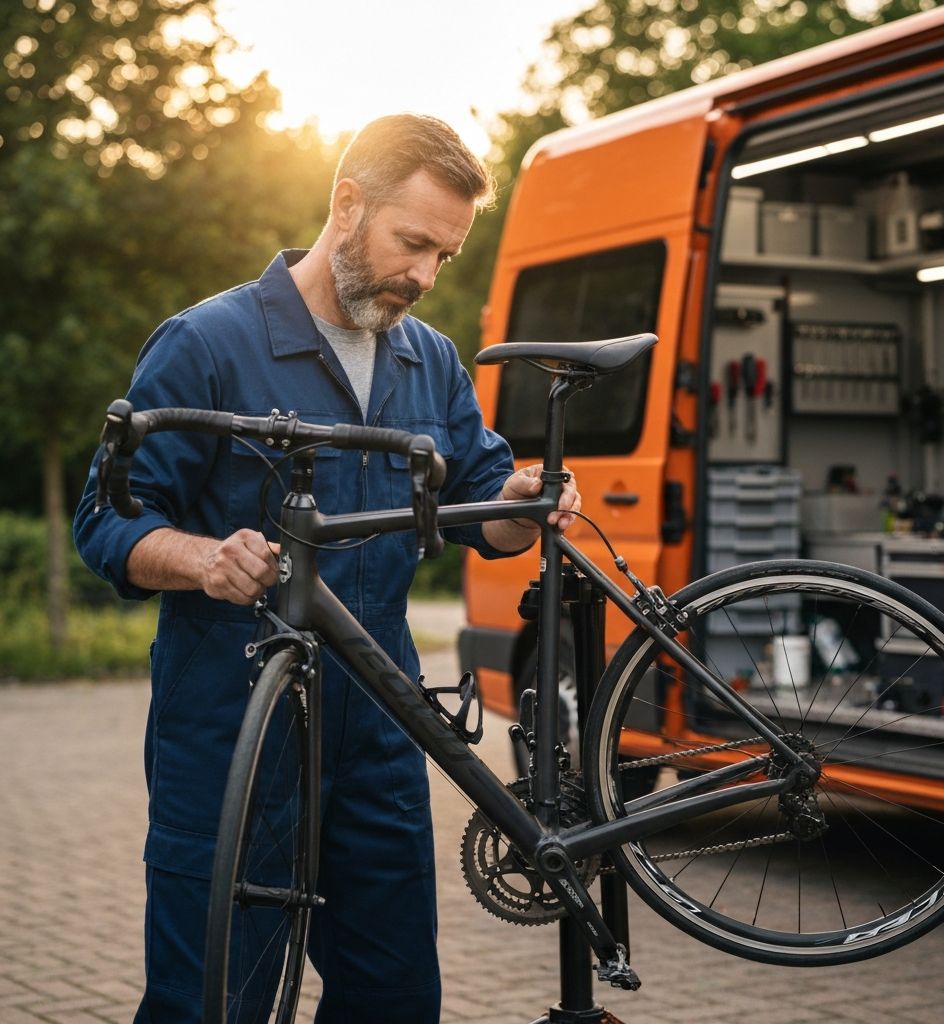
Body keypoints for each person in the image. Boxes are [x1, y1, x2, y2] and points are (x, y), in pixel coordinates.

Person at [74, 113, 579, 1024]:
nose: (426, 277)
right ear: (347, 206)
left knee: (393, 1000)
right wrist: (200, 558)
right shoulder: (207, 343)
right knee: (214, 1003)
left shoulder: (428, 360)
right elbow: (107, 519)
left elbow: (482, 513)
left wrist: (526, 500)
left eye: (446, 258)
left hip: (382, 731)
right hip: (234, 730)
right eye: (414, 243)